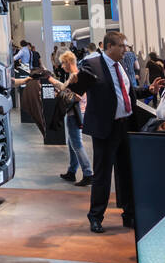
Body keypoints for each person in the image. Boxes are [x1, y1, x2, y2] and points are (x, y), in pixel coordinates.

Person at [74, 32, 136, 233]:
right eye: (122, 46)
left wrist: (149, 90)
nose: (125, 50)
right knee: (102, 175)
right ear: (109, 46)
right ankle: (95, 217)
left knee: (127, 172)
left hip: (125, 126)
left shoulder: (123, 65)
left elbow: (126, 93)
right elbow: (76, 89)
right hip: (105, 129)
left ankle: (129, 214)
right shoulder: (92, 65)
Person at [47, 51, 92, 185]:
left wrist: (52, 81)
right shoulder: (75, 75)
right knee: (72, 143)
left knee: (76, 144)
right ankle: (72, 171)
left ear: (68, 62)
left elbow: (69, 93)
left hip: (75, 114)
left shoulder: (75, 76)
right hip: (75, 113)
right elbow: (66, 90)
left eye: (62, 63)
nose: (61, 66)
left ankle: (88, 173)